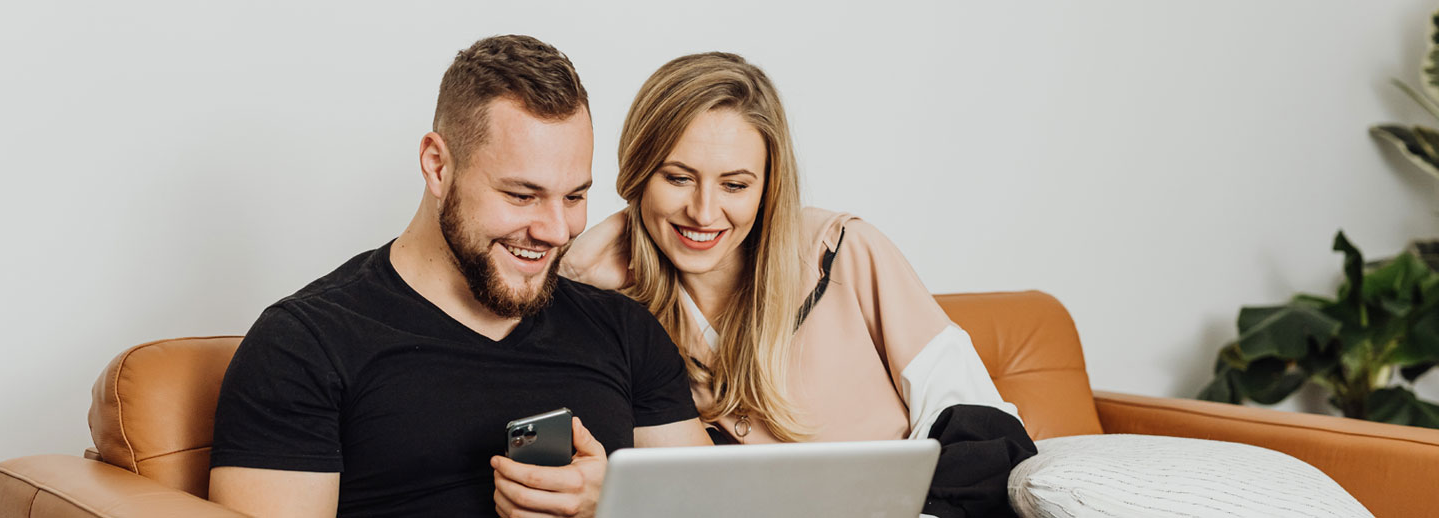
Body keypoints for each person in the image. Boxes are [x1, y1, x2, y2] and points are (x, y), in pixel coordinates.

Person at [208, 35, 711, 518]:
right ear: (437, 165)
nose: (558, 230)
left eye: (575, 196)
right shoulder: (303, 346)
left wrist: (620, 501)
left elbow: (721, 506)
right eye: (521, 195)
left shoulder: (624, 331)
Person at [560, 52, 1036, 517]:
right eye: (678, 178)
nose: (704, 212)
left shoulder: (845, 251)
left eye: (735, 185)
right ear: (638, 174)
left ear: (769, 186)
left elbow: (984, 427)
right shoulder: (611, 305)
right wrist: (571, 270)